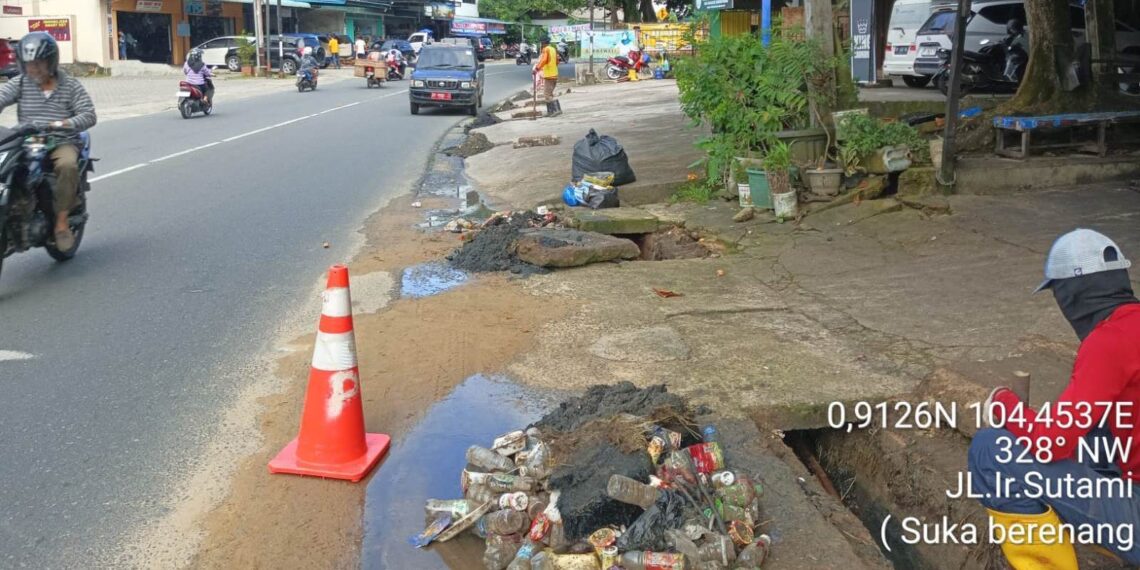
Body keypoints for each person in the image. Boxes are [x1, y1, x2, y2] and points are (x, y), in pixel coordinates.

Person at [968, 228, 1140, 568]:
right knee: (1099, 421)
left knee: (991, 450)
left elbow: (1051, 441)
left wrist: (1004, 404)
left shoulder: (1110, 341)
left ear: (1071, 294)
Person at [0, 32, 96, 252]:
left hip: (60, 140)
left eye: (38, 63)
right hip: (26, 139)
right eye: (28, 64)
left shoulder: (70, 85)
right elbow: (2, 97)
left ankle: (61, 222)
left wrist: (62, 124)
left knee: (66, 165)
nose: (33, 69)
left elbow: (89, 115)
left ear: (50, 62)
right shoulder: (21, 82)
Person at [533, 36, 561, 116]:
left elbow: (544, 60)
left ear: (543, 43)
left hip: (549, 75)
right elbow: (557, 61)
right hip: (554, 74)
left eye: (541, 42)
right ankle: (552, 111)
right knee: (550, 93)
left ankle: (555, 111)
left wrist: (537, 68)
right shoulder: (553, 49)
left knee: (546, 94)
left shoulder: (546, 49)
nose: (541, 44)